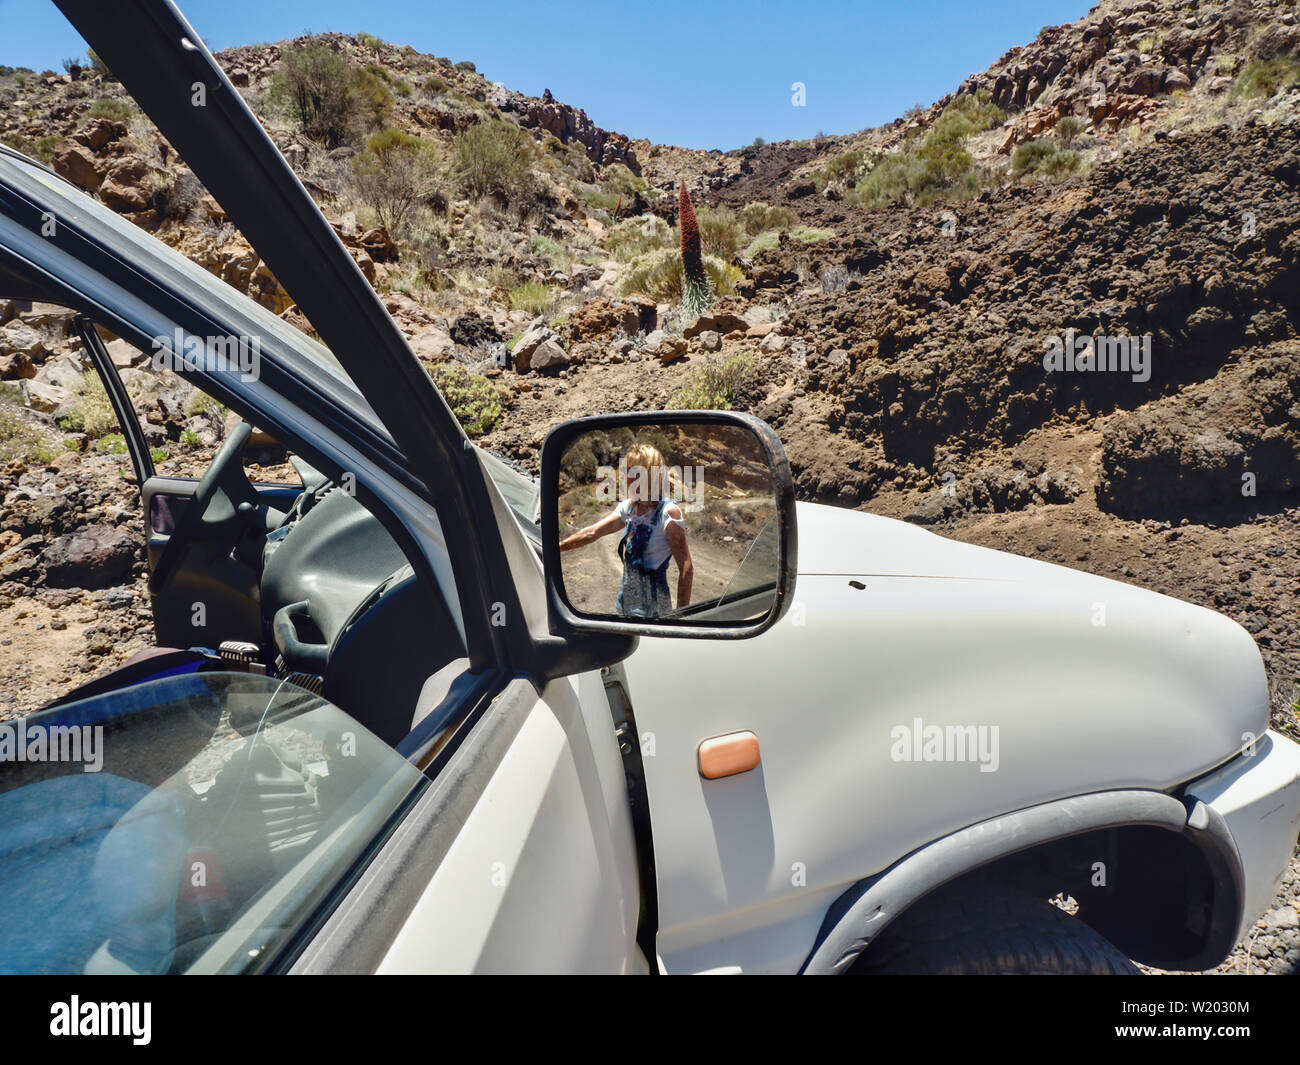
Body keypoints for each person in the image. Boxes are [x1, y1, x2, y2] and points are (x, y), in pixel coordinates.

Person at [559, 443, 693, 618]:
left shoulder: (668, 513)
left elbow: (686, 567)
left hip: (653, 610)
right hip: (624, 602)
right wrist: (559, 547)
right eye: (627, 471)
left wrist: (681, 618)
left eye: (634, 472)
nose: (627, 477)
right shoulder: (629, 508)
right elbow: (593, 532)